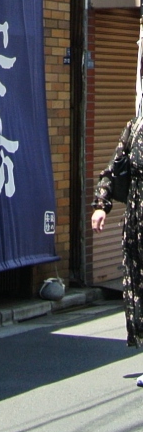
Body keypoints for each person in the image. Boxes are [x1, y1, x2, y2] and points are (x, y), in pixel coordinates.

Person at [92, 116, 143, 376]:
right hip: (136, 226)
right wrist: (101, 206)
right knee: (139, 291)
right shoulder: (135, 128)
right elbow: (114, 168)